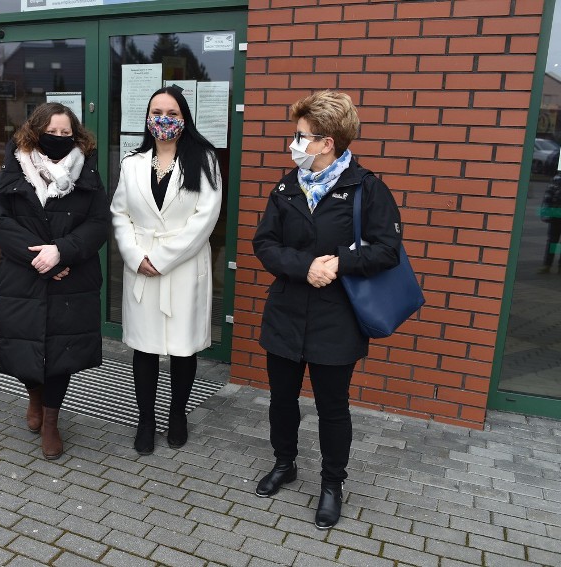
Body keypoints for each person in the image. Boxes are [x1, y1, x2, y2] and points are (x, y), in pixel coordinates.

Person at [252, 90, 402, 529]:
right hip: (286, 312)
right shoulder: (286, 187)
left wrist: (338, 263)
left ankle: (333, 484)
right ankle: (285, 463)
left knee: (332, 407)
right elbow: (265, 244)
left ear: (326, 142)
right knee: (282, 400)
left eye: (301, 137)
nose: (294, 144)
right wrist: (304, 267)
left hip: (336, 319)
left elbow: (388, 249)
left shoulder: (366, 189)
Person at [0, 102, 110, 460]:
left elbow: (98, 224)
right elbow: (0, 222)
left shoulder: (86, 171)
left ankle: (52, 421)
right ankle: (34, 398)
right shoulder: (12, 168)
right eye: (51, 132)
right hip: (23, 275)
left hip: (72, 276)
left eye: (65, 133)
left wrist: (62, 252)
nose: (58, 138)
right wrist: (40, 260)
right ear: (35, 131)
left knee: (61, 353)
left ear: (76, 136)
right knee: (25, 345)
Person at [111, 86, 222, 455]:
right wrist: (135, 255)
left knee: (181, 349)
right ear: (147, 118)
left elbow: (204, 220)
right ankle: (146, 419)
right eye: (157, 111)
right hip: (140, 266)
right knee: (144, 349)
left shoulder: (204, 160)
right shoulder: (132, 162)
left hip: (183, 268)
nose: (164, 119)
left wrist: (161, 259)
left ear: (184, 118)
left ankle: (177, 414)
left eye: (172, 113)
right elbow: (120, 214)